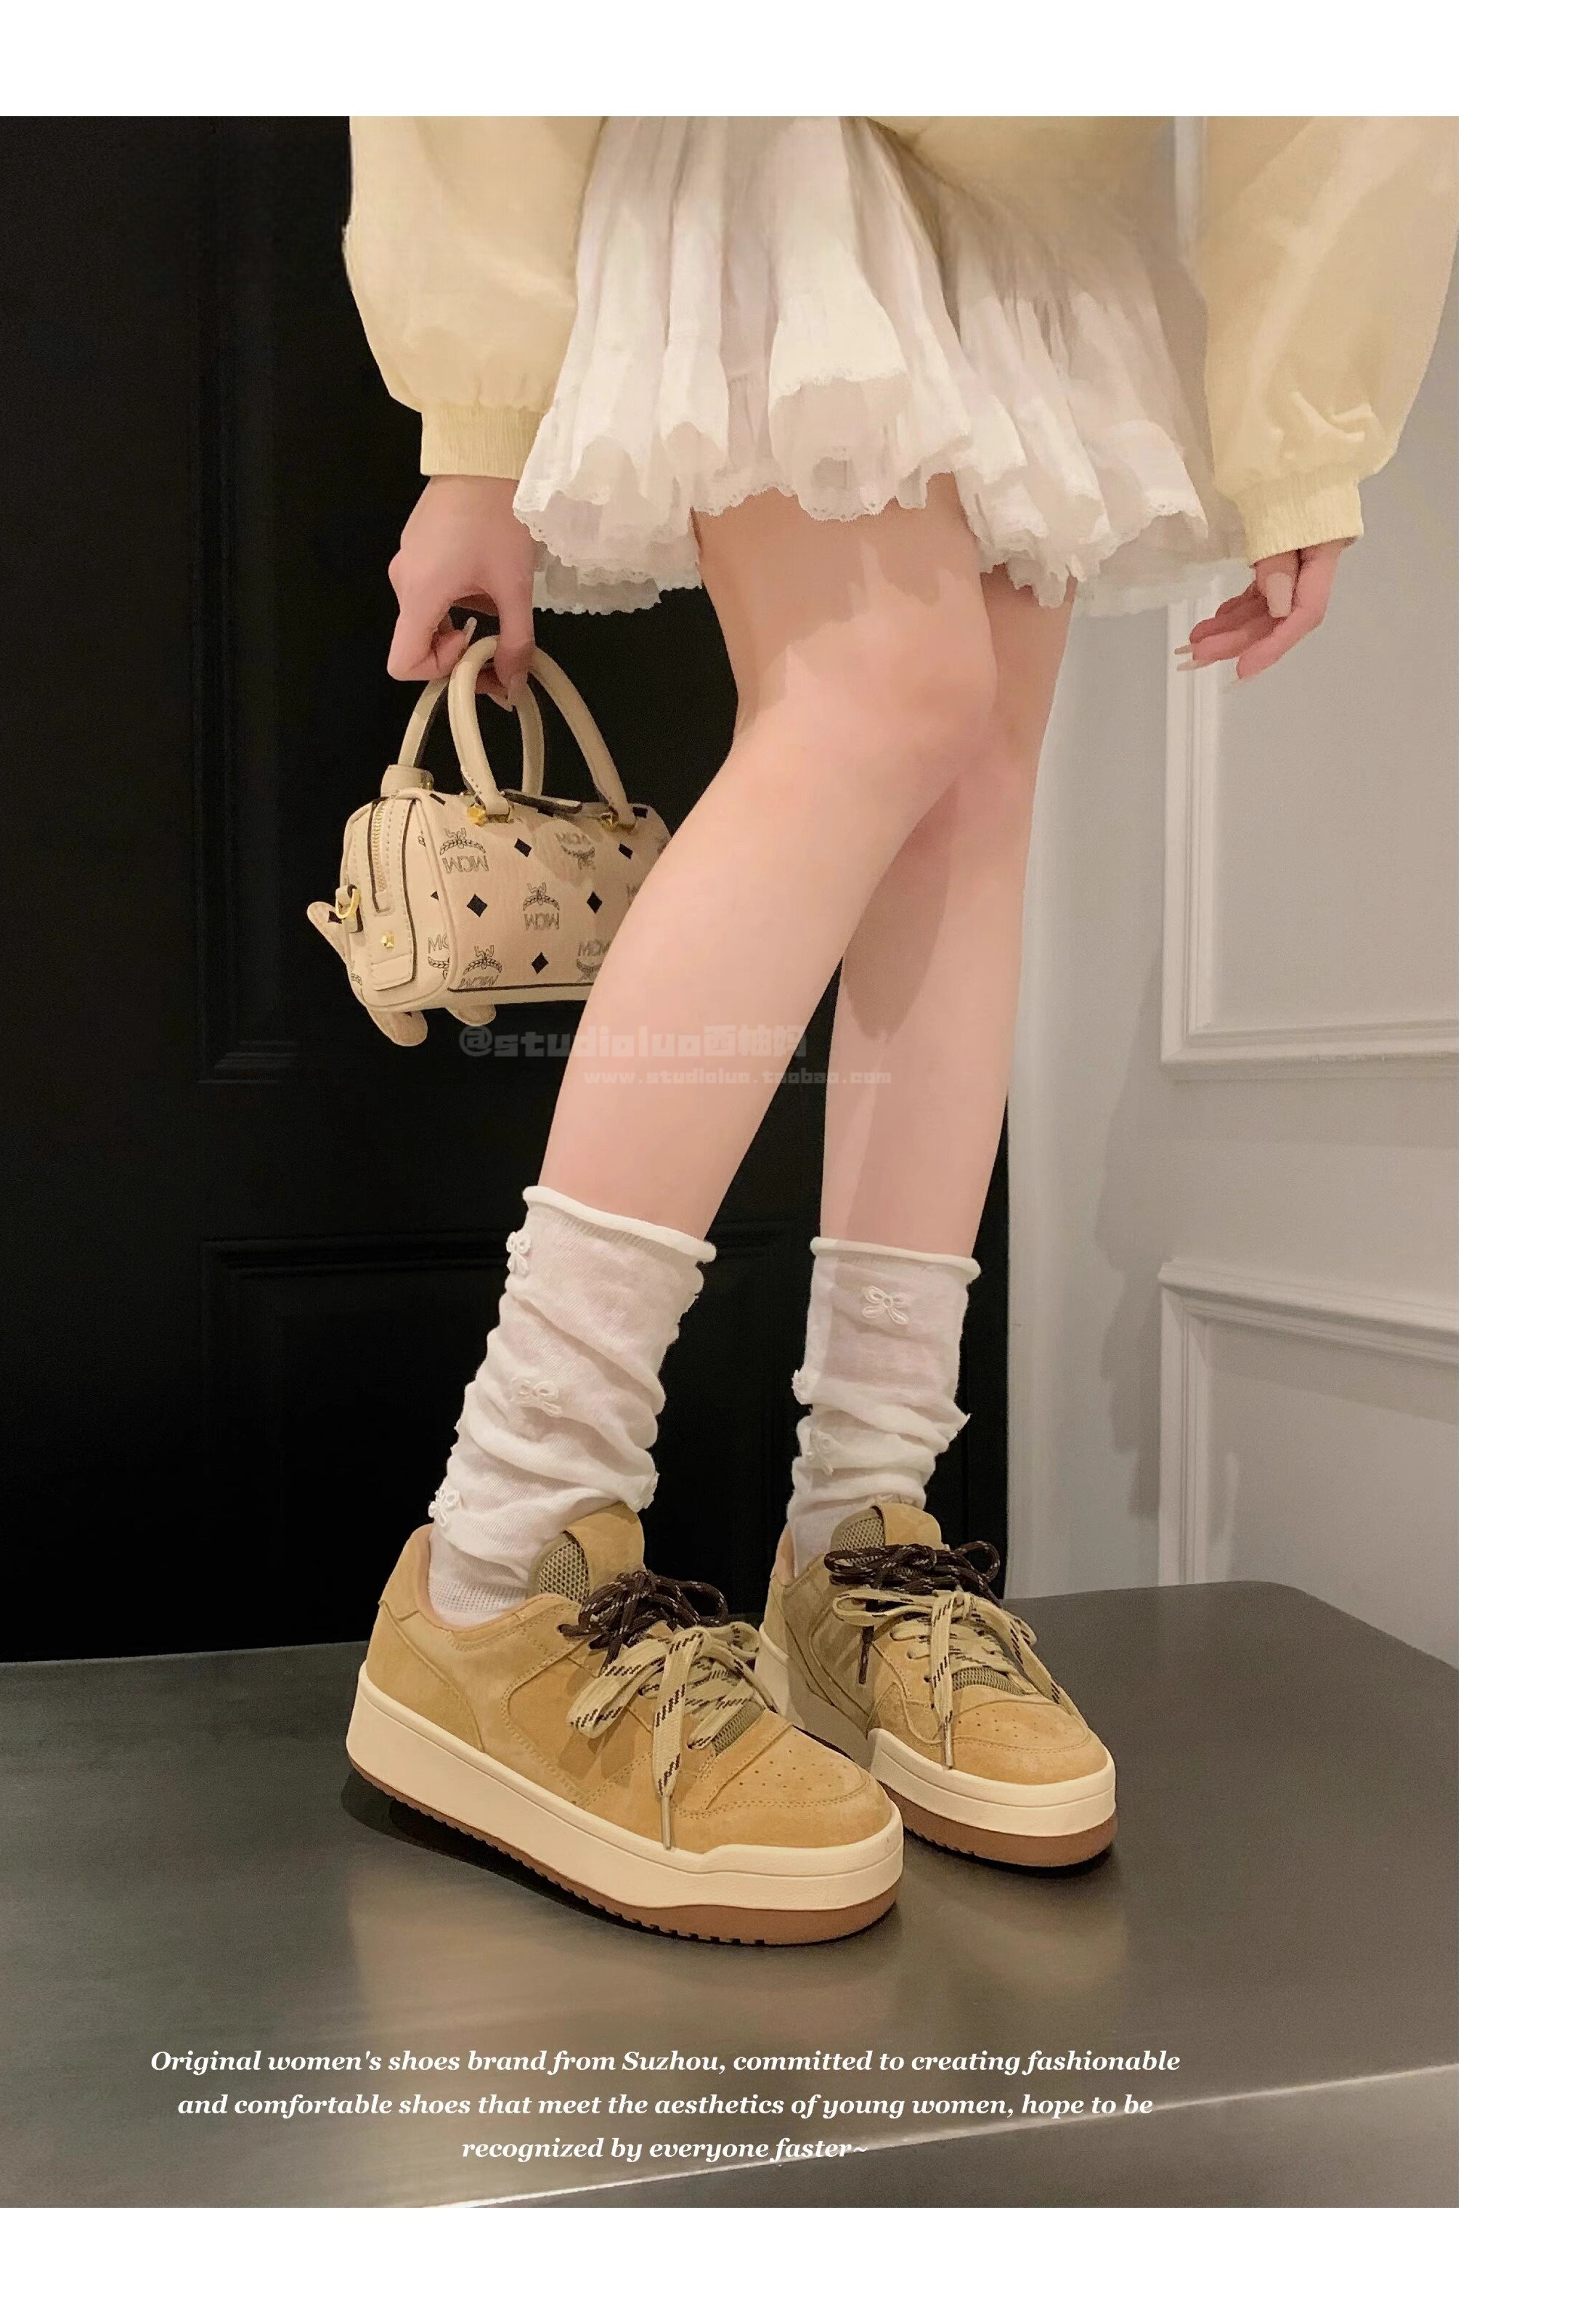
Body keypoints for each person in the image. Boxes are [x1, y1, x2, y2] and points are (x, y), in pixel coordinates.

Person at [335, 117, 1457, 1943]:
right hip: (790, 127)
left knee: (971, 796)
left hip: (1052, 202)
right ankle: (498, 1558)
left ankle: (863, 1528)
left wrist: (1301, 416)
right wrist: (474, 421)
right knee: (882, 696)